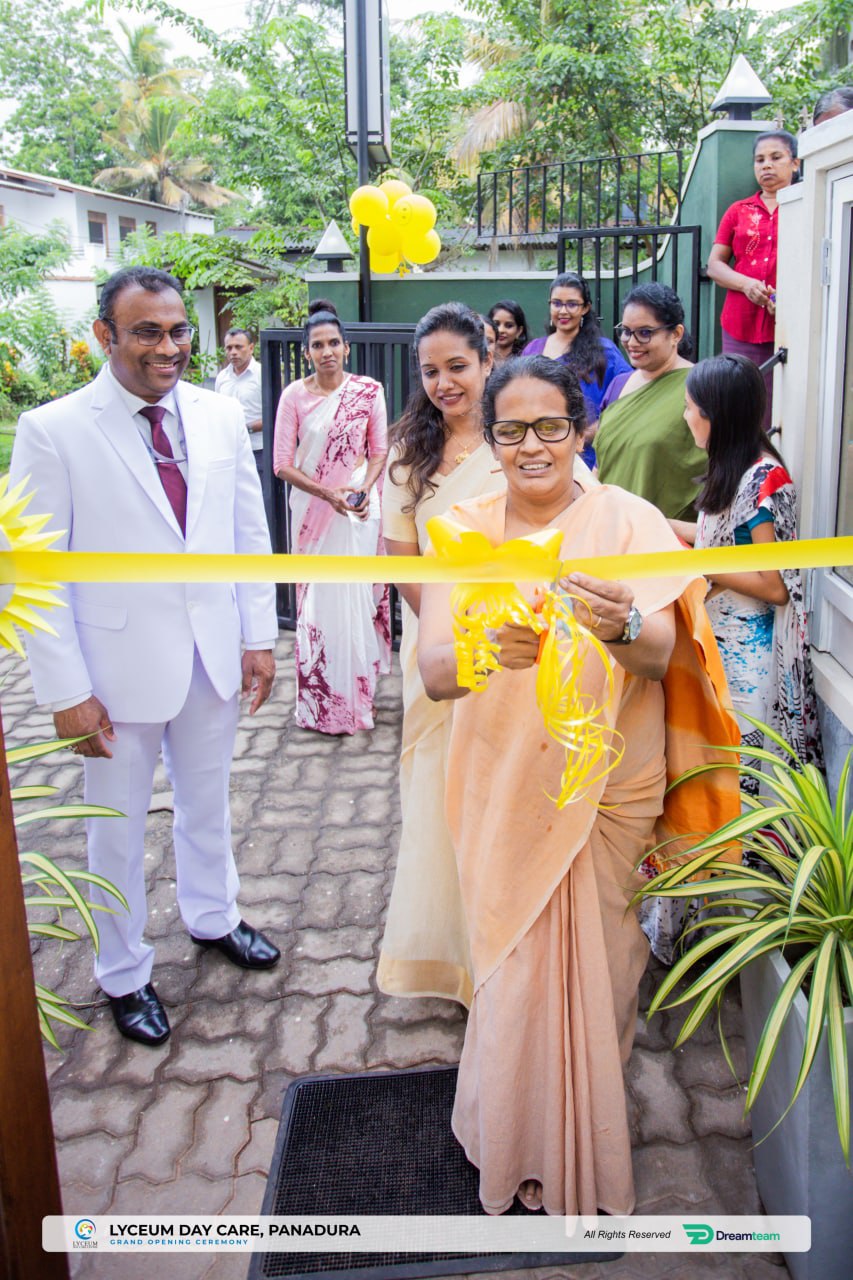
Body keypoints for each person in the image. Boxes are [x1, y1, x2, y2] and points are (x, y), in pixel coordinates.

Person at [417, 356, 737, 1215]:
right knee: (512, 969)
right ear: (490, 441)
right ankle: (507, 1144)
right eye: (512, 430)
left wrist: (621, 622)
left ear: (580, 430)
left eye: (550, 426)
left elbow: (662, 652)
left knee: (601, 978)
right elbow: (435, 672)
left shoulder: (628, 521)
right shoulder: (462, 529)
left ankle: (581, 1160)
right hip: (502, 784)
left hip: (607, 790)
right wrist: (486, 653)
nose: (533, 446)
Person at [9, 266, 280, 1048]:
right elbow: (35, 570)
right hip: (114, 670)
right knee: (117, 828)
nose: (169, 347)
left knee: (208, 801)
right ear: (106, 336)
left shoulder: (219, 414)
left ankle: (213, 915)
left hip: (211, 657)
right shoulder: (53, 430)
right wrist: (64, 687)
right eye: (147, 332)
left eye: (178, 331)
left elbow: (245, 531)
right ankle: (123, 972)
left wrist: (256, 635)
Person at [377, 303, 504, 1008]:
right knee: (441, 800)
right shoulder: (407, 454)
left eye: (457, 366)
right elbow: (400, 562)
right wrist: (452, 644)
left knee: (508, 798)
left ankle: (509, 951)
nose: (443, 383)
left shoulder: (521, 434)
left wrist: (504, 643)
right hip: (438, 655)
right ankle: (456, 965)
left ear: (487, 357)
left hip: (523, 649)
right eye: (429, 371)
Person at [676, 353, 823, 780]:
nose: (686, 417)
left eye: (690, 407)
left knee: (743, 779)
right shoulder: (737, 468)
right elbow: (730, 540)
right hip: (720, 642)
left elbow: (774, 584)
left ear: (715, 415)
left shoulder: (764, 478)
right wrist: (667, 527)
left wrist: (702, 564)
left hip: (748, 657)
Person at [273, 299, 390, 734]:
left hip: (358, 511)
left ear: (346, 347)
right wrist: (327, 494)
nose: (327, 351)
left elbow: (378, 452)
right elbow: (282, 463)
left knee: (354, 601)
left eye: (333, 343)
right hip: (314, 513)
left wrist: (359, 489)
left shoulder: (368, 391)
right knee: (318, 607)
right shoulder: (294, 397)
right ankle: (320, 705)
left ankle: (358, 701)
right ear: (307, 352)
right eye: (317, 345)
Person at [707, 130, 800, 428]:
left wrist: (788, 299)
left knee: (782, 404)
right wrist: (746, 284)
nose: (766, 166)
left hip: (790, 326)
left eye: (776, 157)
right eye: (759, 160)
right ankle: (737, 466)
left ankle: (772, 465)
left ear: (795, 163)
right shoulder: (739, 211)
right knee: (738, 399)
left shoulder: (808, 204)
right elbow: (715, 266)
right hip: (740, 324)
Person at [595, 282, 706, 521]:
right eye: (626, 330)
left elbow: (721, 466)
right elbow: (601, 465)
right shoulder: (619, 384)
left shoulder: (699, 387)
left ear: (676, 334)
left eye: (644, 332)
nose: (631, 342)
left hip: (667, 538)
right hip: (609, 529)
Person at [521, 271, 629, 468]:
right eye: (557, 303)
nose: (563, 311)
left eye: (572, 304)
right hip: (537, 452)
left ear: (585, 308)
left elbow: (626, 401)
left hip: (586, 456)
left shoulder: (604, 352)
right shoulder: (532, 349)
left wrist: (584, 435)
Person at [214, 328, 264, 478]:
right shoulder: (222, 377)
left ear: (251, 348)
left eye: (238, 347)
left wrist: (246, 429)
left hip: (258, 449)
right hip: (229, 449)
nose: (233, 352)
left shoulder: (262, 374)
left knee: (261, 497)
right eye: (229, 348)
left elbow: (275, 414)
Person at [487, 299, 529, 363]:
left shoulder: (525, 360)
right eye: (496, 324)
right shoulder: (481, 357)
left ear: (519, 331)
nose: (501, 330)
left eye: (509, 326)